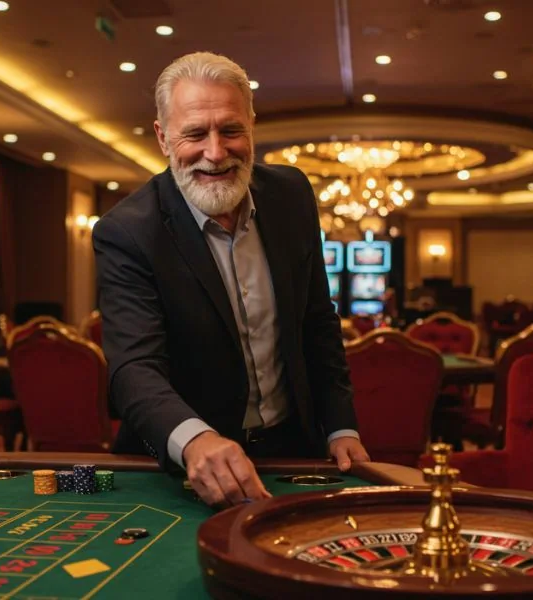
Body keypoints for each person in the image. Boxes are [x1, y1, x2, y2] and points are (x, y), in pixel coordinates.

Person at [92, 51, 369, 507]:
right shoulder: (126, 232)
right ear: (163, 137)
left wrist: (340, 425)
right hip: (183, 470)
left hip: (295, 451)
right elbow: (134, 370)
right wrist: (195, 440)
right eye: (195, 134)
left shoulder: (292, 194)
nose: (216, 153)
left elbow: (318, 321)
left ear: (252, 125)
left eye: (231, 130)